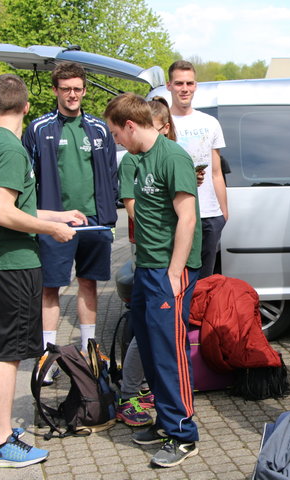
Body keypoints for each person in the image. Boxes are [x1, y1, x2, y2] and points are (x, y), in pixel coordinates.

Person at [0, 74, 86, 468]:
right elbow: (2, 213)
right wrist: (52, 229)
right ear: (26, 108)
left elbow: (14, 206)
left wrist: (58, 214)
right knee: (8, 355)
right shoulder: (13, 150)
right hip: (13, 265)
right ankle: (2, 443)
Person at [104, 92, 201, 468]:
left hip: (167, 271)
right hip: (147, 266)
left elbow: (188, 219)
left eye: (116, 134)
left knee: (168, 353)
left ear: (130, 126)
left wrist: (175, 273)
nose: (116, 141)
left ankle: (183, 435)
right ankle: (165, 421)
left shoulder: (172, 157)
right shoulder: (138, 159)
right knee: (147, 347)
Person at [23, 62, 118, 377]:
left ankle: (90, 350)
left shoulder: (99, 129)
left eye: (78, 88)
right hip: (54, 223)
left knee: (88, 284)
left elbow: (109, 175)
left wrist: (107, 215)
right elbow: (27, 179)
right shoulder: (38, 128)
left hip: (94, 222)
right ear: (55, 90)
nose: (72, 94)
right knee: (51, 288)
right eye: (66, 89)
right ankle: (47, 357)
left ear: (84, 90)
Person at [167, 60, 227, 279]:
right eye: (179, 83)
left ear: (195, 85)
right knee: (177, 279)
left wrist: (223, 212)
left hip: (209, 215)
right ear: (169, 85)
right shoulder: (162, 123)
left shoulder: (210, 123)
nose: (185, 89)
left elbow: (216, 171)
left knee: (204, 282)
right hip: (176, 214)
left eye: (189, 83)